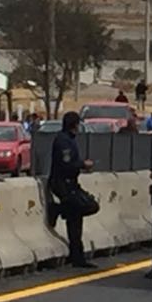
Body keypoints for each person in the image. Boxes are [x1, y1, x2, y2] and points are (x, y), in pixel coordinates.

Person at [50, 112, 96, 269]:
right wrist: (83, 164)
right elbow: (66, 164)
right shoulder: (63, 141)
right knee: (85, 207)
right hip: (63, 183)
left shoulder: (69, 140)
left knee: (75, 219)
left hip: (70, 183)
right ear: (74, 125)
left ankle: (76, 256)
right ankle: (57, 209)